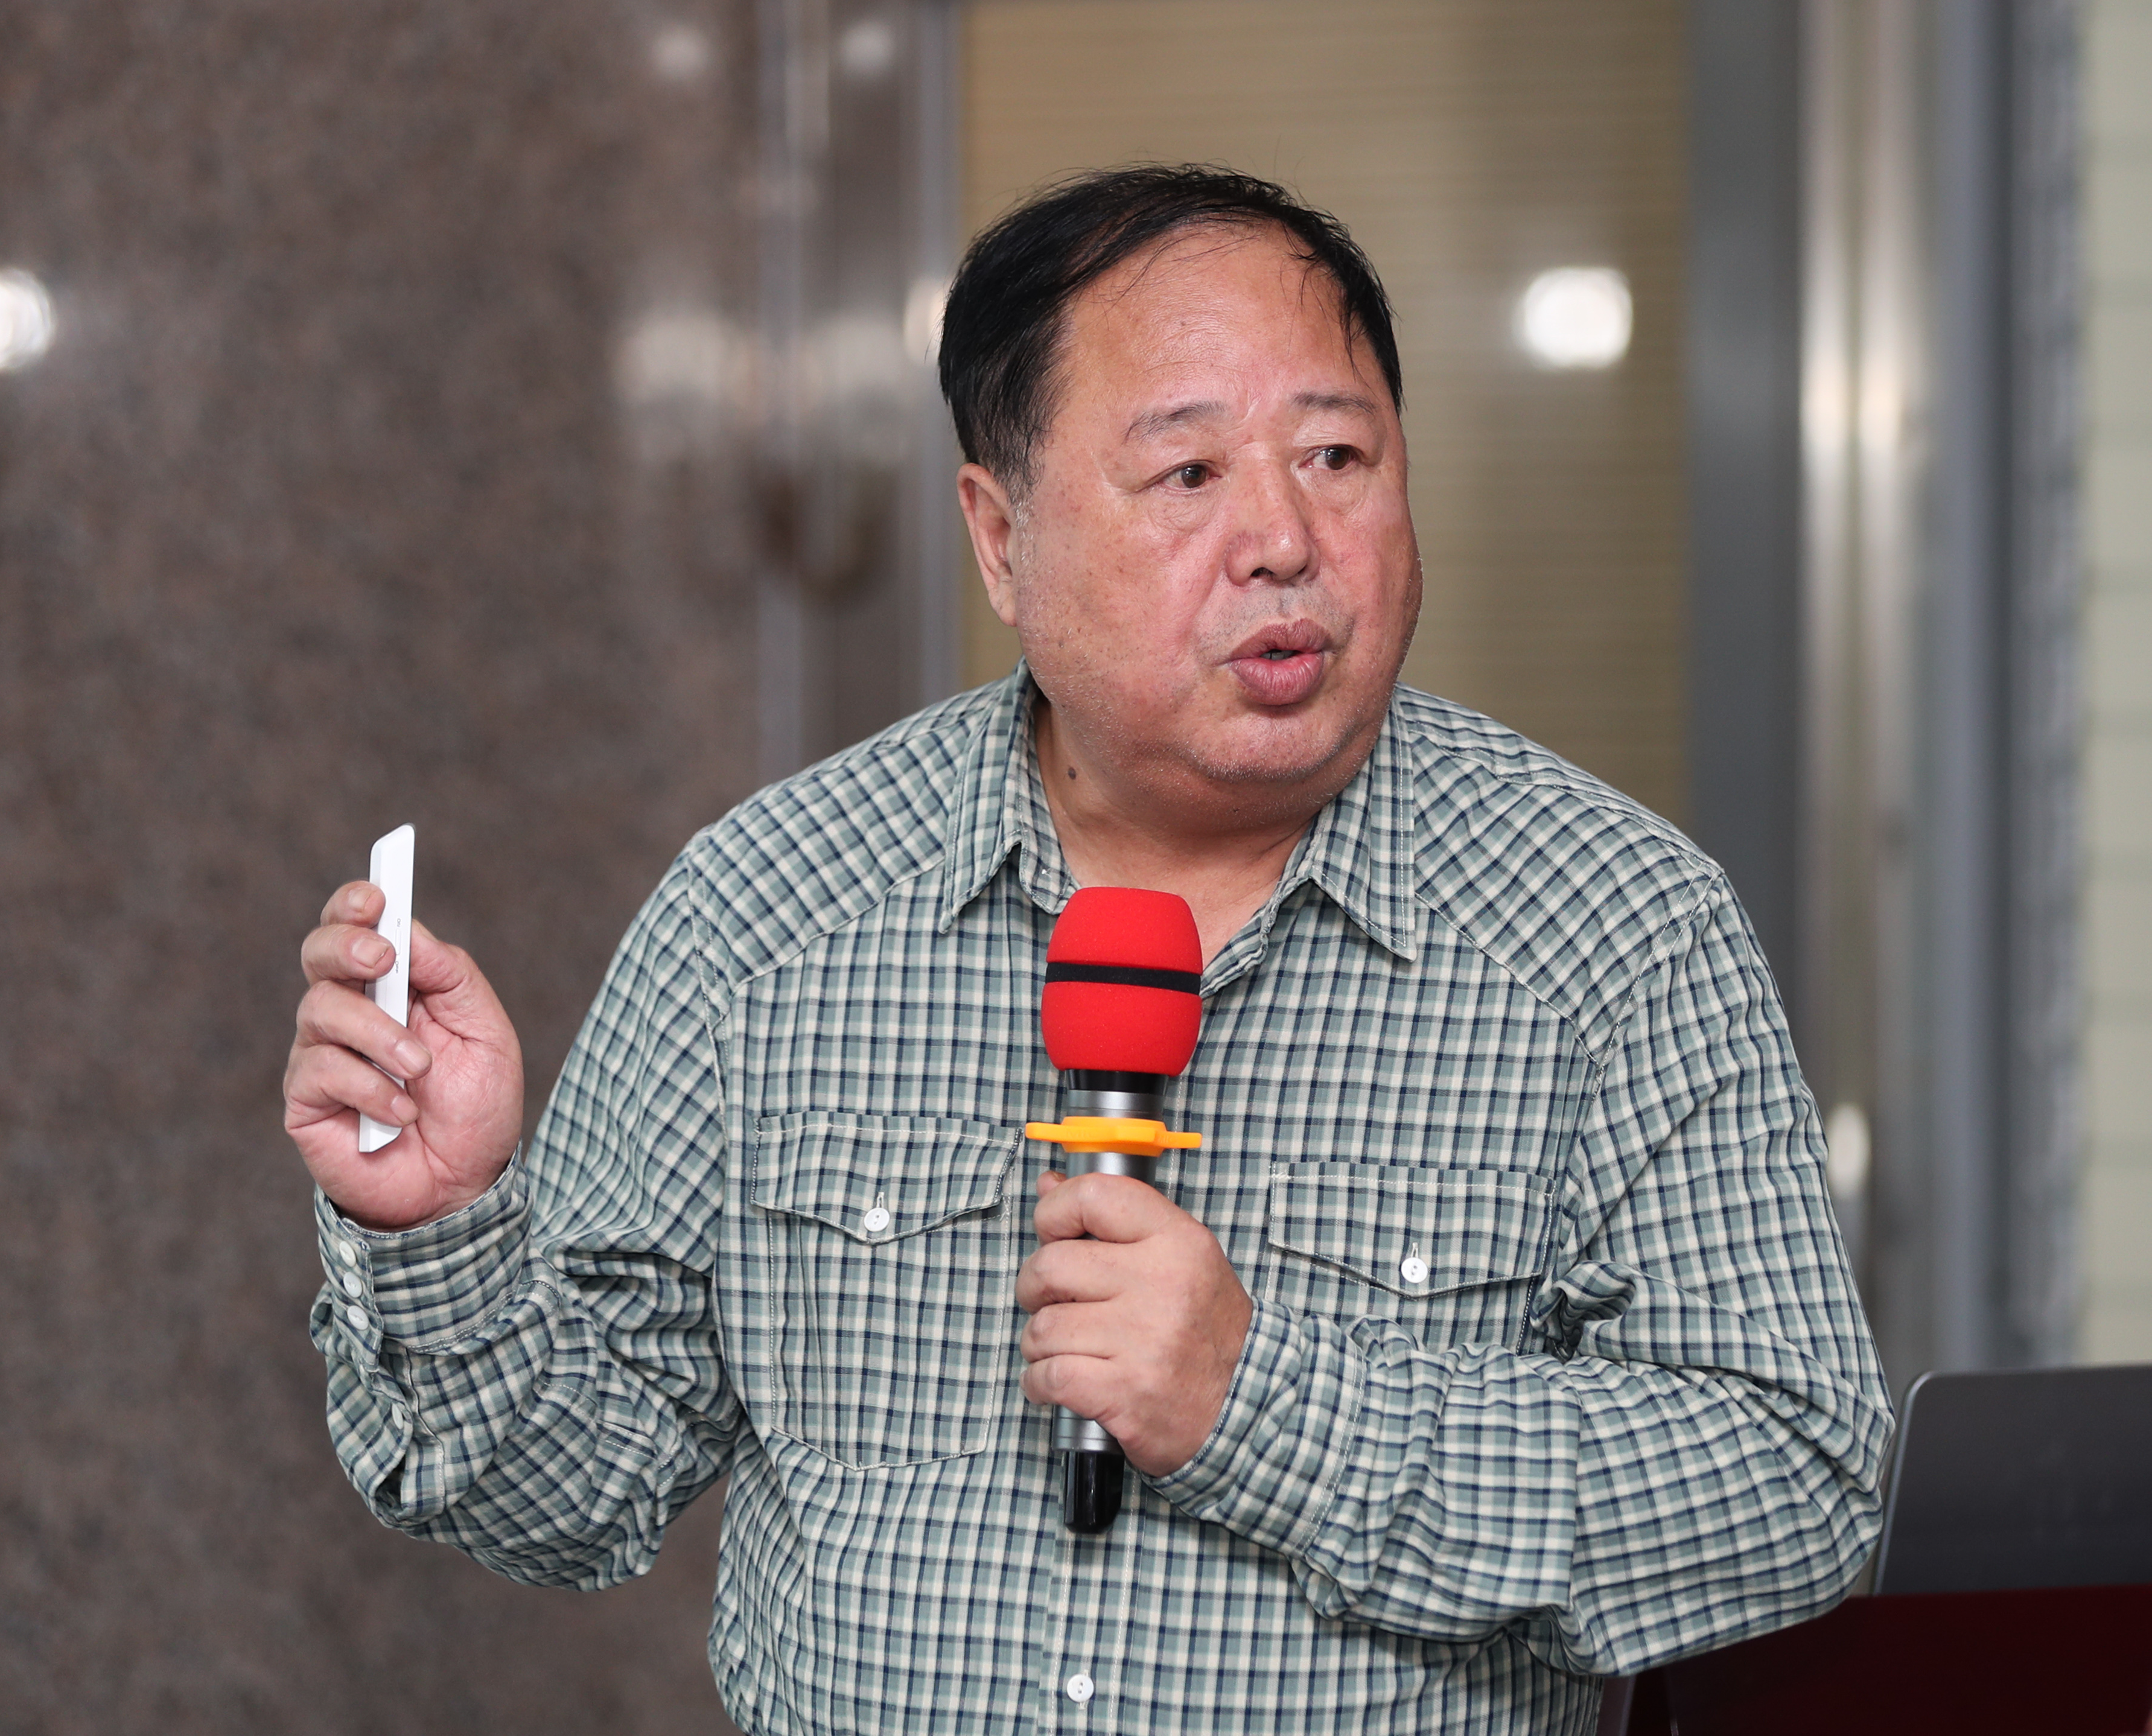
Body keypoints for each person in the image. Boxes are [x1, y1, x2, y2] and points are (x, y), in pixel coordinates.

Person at [281, 166, 1890, 1734]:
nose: (1282, 539)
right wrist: (439, 1228)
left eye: (1336, 455)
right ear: (1000, 538)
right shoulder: (769, 910)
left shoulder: (1611, 926)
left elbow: (1795, 1493)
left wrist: (1265, 1408)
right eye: (1185, 474)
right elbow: (562, 1494)